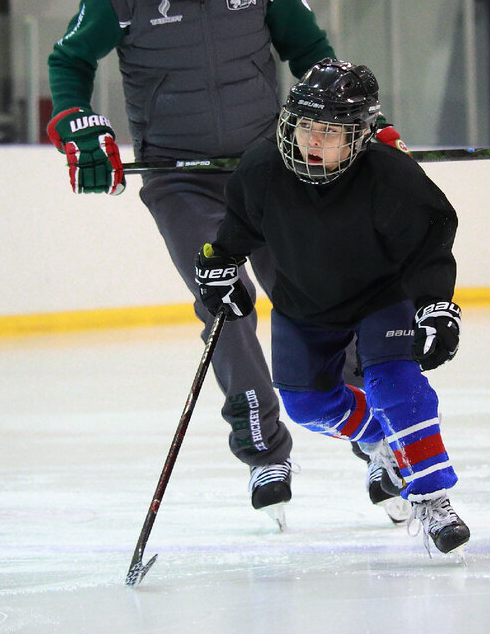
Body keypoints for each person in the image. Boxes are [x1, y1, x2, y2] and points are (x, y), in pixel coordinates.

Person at [46, 0, 409, 526]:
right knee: (226, 300)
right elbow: (69, 61)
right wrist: (80, 122)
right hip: (181, 182)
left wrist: (353, 113)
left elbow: (309, 49)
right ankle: (264, 445)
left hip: (271, 171)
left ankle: (378, 436)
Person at [193, 57, 470, 554]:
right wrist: (216, 269)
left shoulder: (391, 176)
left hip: (380, 297)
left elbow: (428, 244)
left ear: (359, 135)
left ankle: (431, 496)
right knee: (305, 404)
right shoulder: (261, 170)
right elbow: (234, 235)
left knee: (395, 383)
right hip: (305, 301)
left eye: (329, 131)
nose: (312, 141)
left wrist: (435, 306)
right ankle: (383, 440)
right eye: (305, 127)